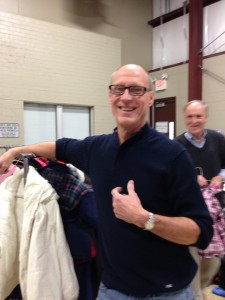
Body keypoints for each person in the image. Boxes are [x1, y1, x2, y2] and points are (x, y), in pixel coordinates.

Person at [0, 64, 213, 300]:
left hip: (167, 292)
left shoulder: (172, 155)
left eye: (136, 90)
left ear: (151, 98)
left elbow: (200, 232)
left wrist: (145, 219)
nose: (126, 97)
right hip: (111, 290)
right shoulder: (96, 149)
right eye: (119, 89)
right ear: (110, 96)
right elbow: (59, 147)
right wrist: (17, 151)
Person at [175, 100, 225, 300]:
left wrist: (221, 176)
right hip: (191, 213)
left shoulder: (217, 139)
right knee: (193, 258)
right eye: (190, 116)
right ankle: (194, 295)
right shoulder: (177, 145)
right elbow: (172, 176)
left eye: (198, 116)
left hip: (216, 211)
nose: (194, 121)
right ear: (184, 118)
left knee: (213, 260)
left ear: (205, 117)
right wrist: (190, 178)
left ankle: (201, 289)